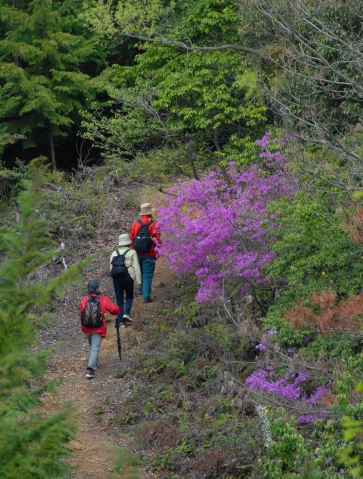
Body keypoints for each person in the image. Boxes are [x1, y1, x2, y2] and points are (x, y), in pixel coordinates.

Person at [79, 280, 120, 379]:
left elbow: (81, 313)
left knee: (91, 345)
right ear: (97, 288)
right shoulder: (103, 299)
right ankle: (90, 369)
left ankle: (94, 364)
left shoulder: (84, 299)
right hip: (98, 328)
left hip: (86, 328)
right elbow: (114, 310)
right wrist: (119, 308)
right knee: (95, 348)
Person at [129, 202, 161, 303]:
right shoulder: (154, 223)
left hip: (137, 252)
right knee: (148, 273)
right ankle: (146, 296)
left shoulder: (135, 223)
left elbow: (131, 238)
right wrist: (158, 252)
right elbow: (157, 239)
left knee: (140, 271)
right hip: (149, 252)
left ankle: (141, 289)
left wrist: (131, 251)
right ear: (150, 213)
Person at [110, 233, 142, 328]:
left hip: (116, 278)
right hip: (128, 277)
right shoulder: (132, 252)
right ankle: (127, 313)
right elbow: (136, 268)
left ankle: (121, 322)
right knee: (129, 296)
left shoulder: (114, 253)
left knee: (119, 299)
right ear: (128, 242)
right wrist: (139, 281)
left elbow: (111, 268)